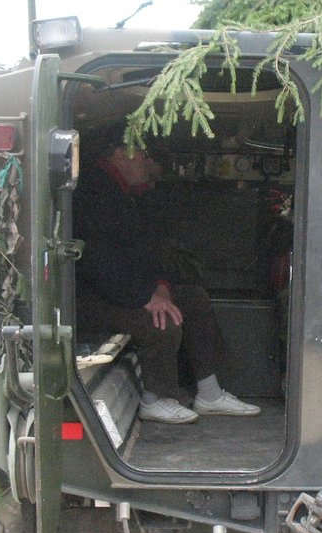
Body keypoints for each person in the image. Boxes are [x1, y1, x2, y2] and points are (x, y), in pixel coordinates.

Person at [73, 140, 260, 424]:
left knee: (192, 299)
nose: (147, 162)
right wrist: (144, 298)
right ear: (120, 155)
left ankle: (209, 393)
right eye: (143, 154)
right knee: (160, 322)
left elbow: (142, 250)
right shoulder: (95, 192)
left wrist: (161, 285)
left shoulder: (124, 192)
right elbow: (97, 261)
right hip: (91, 298)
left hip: (126, 290)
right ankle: (155, 399)